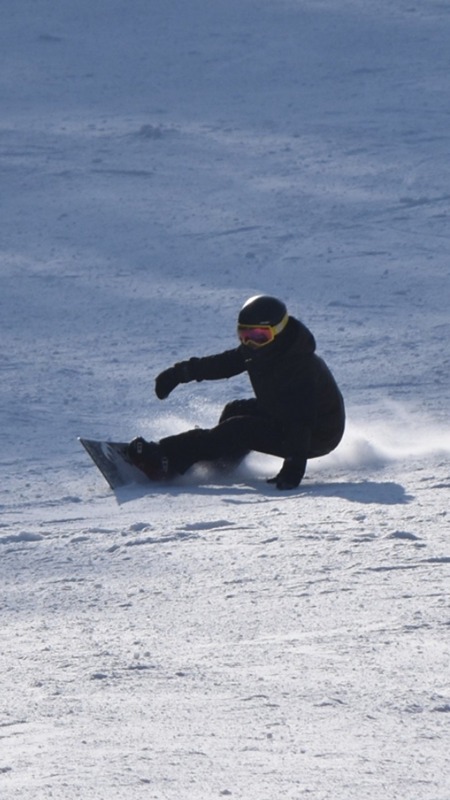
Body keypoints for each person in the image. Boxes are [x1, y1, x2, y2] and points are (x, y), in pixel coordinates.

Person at [127, 295, 345, 490]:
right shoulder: (261, 351)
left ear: (278, 331)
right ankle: (220, 459)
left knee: (238, 429)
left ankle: (165, 458)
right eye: (244, 335)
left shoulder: (300, 366)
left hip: (317, 434)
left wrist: (294, 466)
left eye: (260, 336)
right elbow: (223, 364)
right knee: (235, 410)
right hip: (283, 413)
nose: (251, 343)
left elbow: (301, 419)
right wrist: (179, 373)